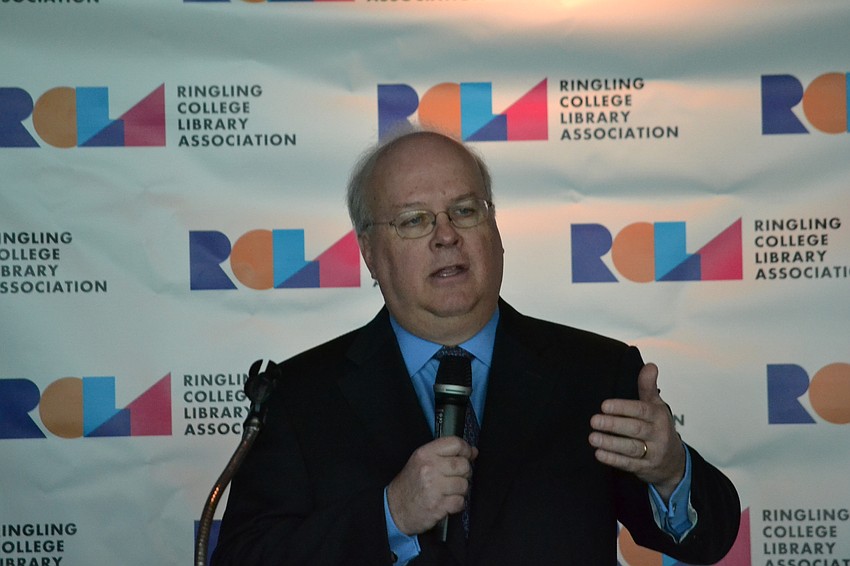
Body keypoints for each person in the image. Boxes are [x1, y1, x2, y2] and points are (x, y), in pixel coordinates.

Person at [211, 129, 741, 565]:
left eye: (464, 211)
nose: (446, 236)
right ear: (370, 253)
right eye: (415, 220)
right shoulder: (300, 397)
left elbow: (708, 539)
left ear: (495, 230)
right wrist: (389, 515)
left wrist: (672, 472)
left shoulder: (594, 375)